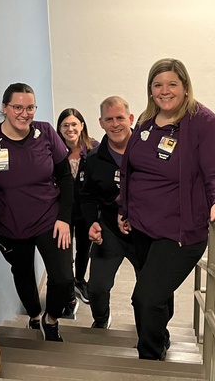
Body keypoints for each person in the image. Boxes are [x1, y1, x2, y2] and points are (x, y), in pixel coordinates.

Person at [117, 58, 215, 361]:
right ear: (150, 89)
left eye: (172, 84)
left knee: (145, 298)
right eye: (158, 85)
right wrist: (124, 207)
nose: (164, 90)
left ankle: (150, 356)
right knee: (158, 294)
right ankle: (161, 338)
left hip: (181, 231)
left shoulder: (203, 123)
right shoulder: (145, 122)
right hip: (142, 227)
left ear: (185, 87)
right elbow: (132, 170)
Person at [0, 83, 75, 342]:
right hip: (10, 223)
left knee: (63, 277)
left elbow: (65, 178)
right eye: (18, 107)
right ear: (5, 108)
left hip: (49, 219)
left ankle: (52, 319)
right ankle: (35, 317)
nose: (25, 113)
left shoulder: (46, 132)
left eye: (30, 107)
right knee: (23, 275)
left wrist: (64, 219)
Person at [81, 96, 140, 329]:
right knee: (96, 287)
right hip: (109, 231)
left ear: (130, 119)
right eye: (109, 119)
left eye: (120, 118)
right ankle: (101, 320)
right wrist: (90, 224)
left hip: (145, 231)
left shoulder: (147, 152)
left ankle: (152, 330)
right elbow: (87, 196)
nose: (115, 124)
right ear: (101, 123)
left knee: (150, 290)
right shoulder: (95, 158)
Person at [56, 108, 99, 316]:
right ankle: (67, 286)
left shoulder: (94, 149)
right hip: (62, 211)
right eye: (65, 125)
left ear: (82, 125)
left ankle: (80, 280)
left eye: (74, 124)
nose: (70, 128)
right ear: (60, 129)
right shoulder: (54, 151)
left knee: (84, 248)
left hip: (86, 211)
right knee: (64, 250)